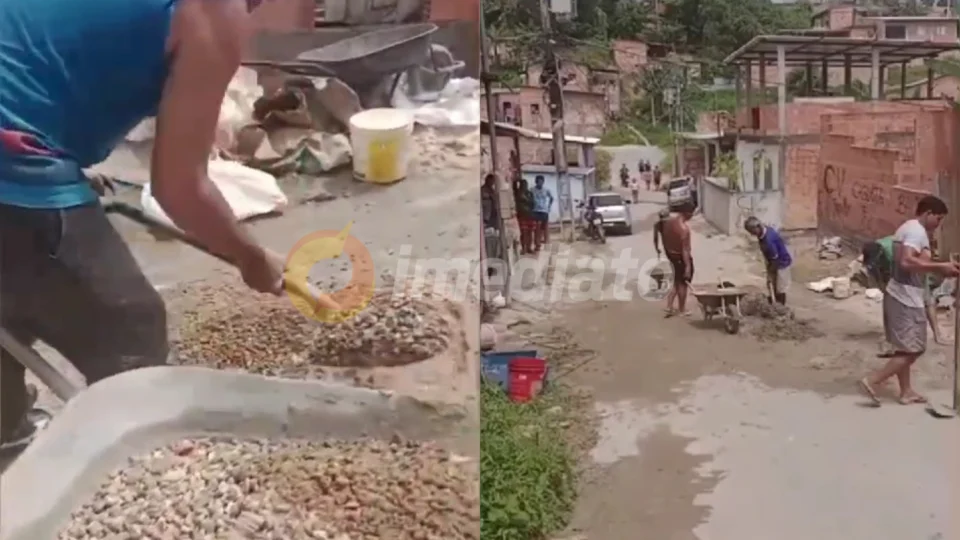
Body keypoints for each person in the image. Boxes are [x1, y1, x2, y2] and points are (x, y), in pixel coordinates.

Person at [0, 0, 288, 449]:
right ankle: (141, 471)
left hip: (19, 123)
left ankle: (4, 427)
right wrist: (250, 257)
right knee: (128, 324)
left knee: (13, 285)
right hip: (13, 149)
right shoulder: (214, 13)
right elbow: (179, 187)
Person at [859, 196, 960, 406]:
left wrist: (939, 268)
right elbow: (906, 261)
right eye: (938, 219)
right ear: (928, 213)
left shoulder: (910, 228)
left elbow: (914, 264)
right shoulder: (916, 231)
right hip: (905, 298)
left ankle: (906, 392)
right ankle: (873, 380)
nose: (938, 224)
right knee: (915, 349)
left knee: (904, 349)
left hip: (902, 294)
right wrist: (940, 267)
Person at [865, 235, 951, 347]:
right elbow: (878, 272)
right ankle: (890, 337)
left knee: (927, 300)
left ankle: (937, 336)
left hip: (916, 266)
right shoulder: (874, 250)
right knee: (890, 299)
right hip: (901, 268)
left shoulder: (892, 252)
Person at [744, 217, 792, 305]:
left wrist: (770, 274)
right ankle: (773, 303)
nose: (752, 234)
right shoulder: (764, 232)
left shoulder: (768, 240)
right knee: (772, 286)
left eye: (752, 231)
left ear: (757, 227)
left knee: (780, 287)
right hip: (773, 261)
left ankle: (780, 308)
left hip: (782, 263)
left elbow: (775, 259)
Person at [662, 203, 695, 317]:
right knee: (682, 285)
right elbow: (685, 250)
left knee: (676, 283)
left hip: (672, 256)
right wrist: (688, 267)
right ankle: (682, 309)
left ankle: (669, 306)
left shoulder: (669, 223)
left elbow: (664, 240)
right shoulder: (684, 229)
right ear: (688, 214)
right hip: (681, 258)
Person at [531, 175, 553, 252]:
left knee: (545, 229)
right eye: (539, 182)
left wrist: (549, 207)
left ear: (543, 182)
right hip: (535, 211)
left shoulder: (546, 190)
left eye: (541, 182)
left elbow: (551, 198)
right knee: (537, 229)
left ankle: (547, 244)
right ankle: (537, 245)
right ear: (536, 182)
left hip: (544, 211)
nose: (540, 183)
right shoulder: (532, 190)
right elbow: (529, 199)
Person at [514, 178, 535, 254]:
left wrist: (527, 200)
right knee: (523, 233)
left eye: (525, 184)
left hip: (529, 215)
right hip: (521, 215)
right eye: (523, 185)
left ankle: (529, 247)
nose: (524, 186)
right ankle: (524, 248)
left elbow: (533, 203)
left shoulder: (529, 193)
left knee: (530, 232)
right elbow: (514, 186)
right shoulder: (517, 193)